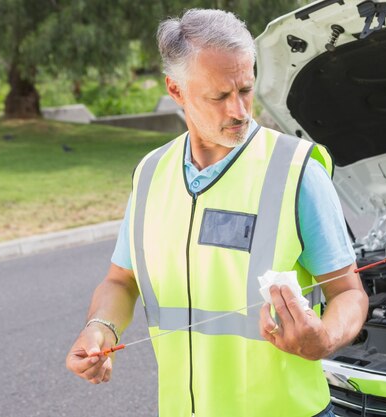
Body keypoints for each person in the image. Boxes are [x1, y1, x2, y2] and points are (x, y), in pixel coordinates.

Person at [65, 8, 367, 417]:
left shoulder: (297, 172)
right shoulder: (151, 174)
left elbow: (348, 292)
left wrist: (326, 337)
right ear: (176, 90)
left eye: (245, 89)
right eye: (219, 96)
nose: (239, 110)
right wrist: (99, 327)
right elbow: (121, 280)